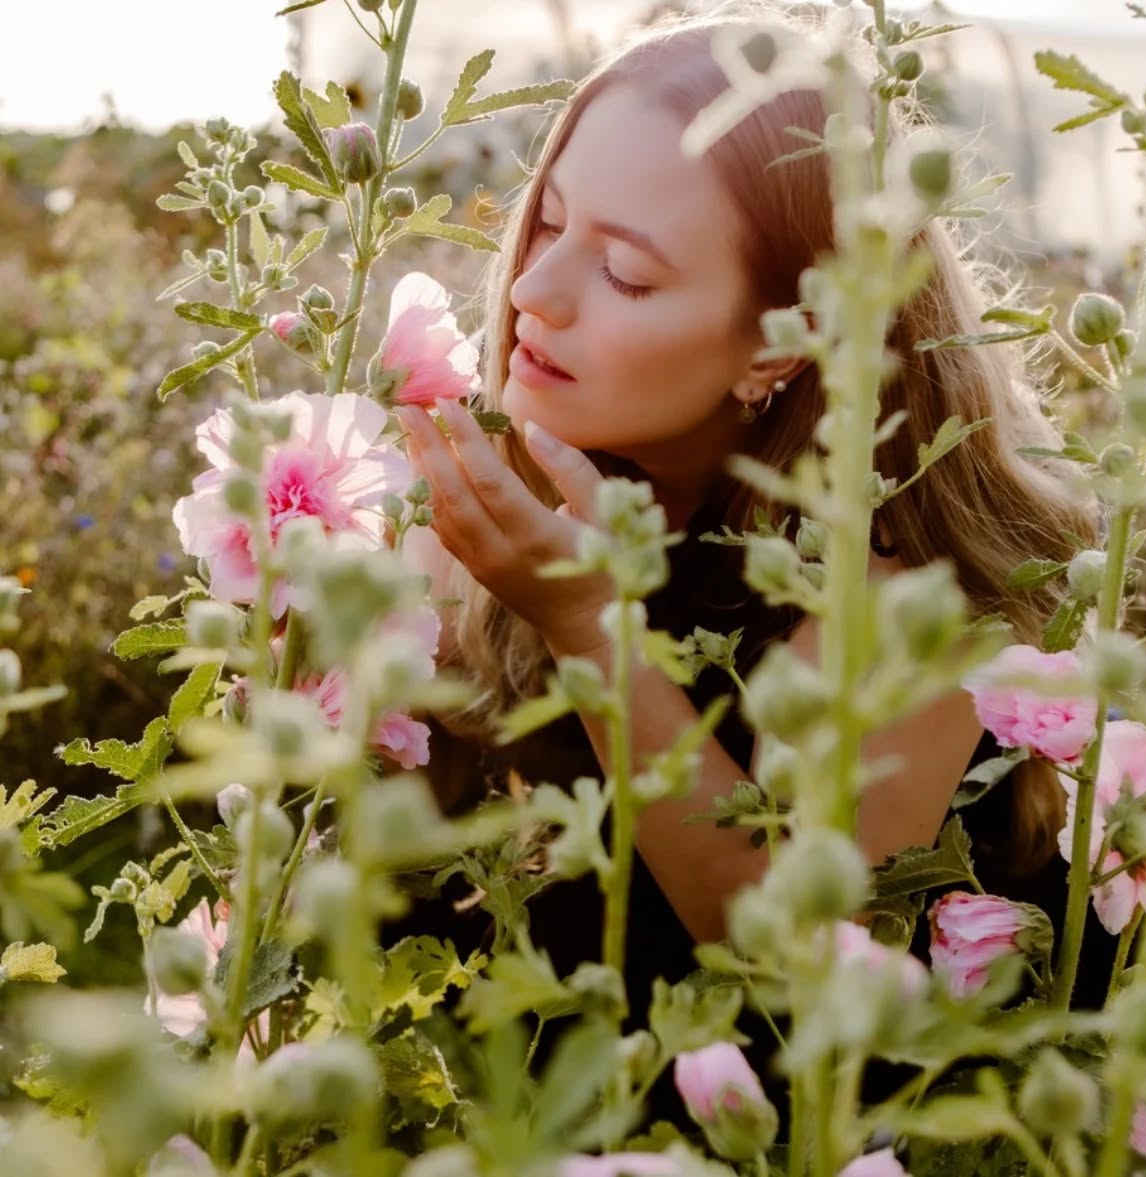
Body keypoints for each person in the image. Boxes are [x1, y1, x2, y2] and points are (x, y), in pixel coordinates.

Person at [390, 4, 1109, 1128]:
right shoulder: (531, 481)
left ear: (783, 343)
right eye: (550, 222)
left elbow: (795, 978)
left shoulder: (909, 589)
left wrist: (590, 624)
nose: (533, 291)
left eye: (625, 272)